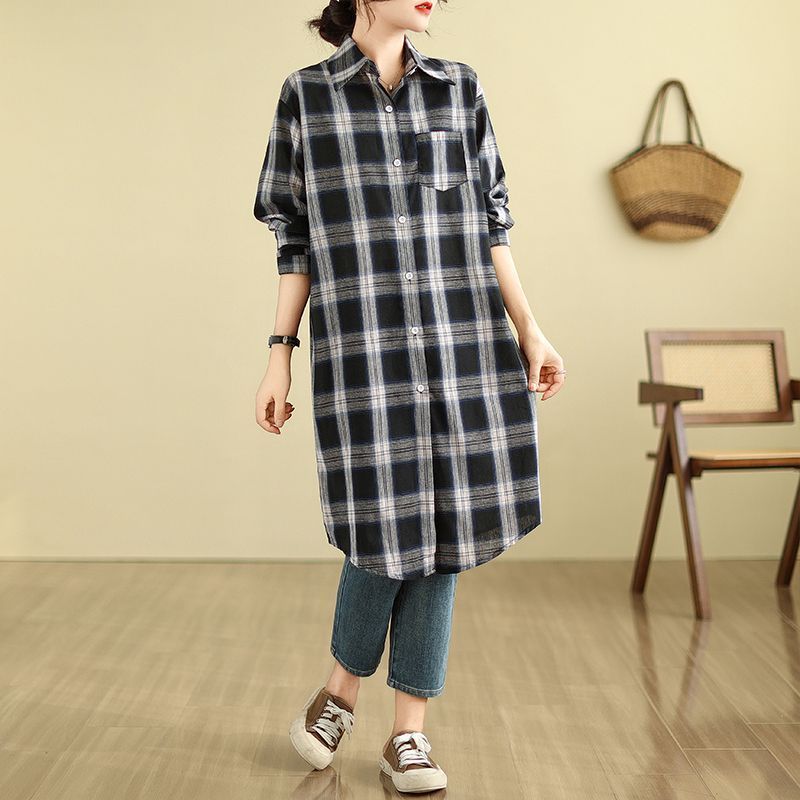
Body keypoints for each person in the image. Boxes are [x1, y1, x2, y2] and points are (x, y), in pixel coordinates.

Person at [253, 0, 565, 793]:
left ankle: (406, 734)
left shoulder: (460, 89)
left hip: (465, 347)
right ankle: (340, 692)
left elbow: (492, 225)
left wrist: (530, 330)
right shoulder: (307, 97)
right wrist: (279, 355)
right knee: (381, 525)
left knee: (447, 526)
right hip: (365, 354)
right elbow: (296, 240)